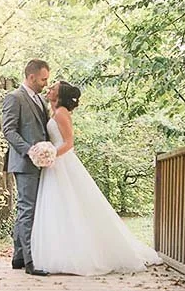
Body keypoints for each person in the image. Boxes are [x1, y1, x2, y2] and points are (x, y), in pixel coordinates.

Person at [30, 81, 161, 276]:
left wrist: (51, 153)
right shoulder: (54, 112)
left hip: (62, 163)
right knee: (57, 207)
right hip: (54, 166)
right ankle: (61, 254)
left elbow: (69, 143)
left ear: (60, 95)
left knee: (70, 205)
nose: (49, 89)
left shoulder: (61, 113)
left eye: (54, 88)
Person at [0, 59, 52, 276]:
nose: (45, 83)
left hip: (40, 162)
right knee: (27, 209)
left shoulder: (40, 99)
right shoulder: (14, 98)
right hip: (24, 162)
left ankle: (19, 256)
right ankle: (31, 262)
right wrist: (30, 150)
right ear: (31, 77)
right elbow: (9, 130)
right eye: (43, 79)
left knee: (27, 208)